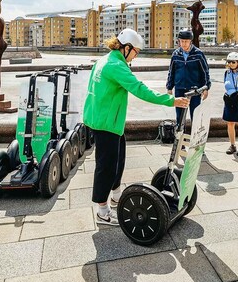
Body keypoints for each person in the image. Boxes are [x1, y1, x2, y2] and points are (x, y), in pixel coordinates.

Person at [84, 28, 189, 226]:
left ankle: (115, 196)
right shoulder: (116, 65)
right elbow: (139, 89)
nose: (136, 57)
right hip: (106, 123)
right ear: (127, 48)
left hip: (106, 120)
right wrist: (171, 101)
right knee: (105, 167)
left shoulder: (105, 60)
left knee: (118, 160)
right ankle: (102, 211)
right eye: (136, 52)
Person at [166, 29, 211, 124]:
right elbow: (171, 72)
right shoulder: (175, 54)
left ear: (191, 41)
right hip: (180, 89)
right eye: (182, 41)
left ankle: (195, 138)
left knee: (195, 115)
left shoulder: (198, 54)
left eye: (186, 41)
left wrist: (206, 88)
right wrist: (169, 87)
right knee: (179, 116)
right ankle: (180, 136)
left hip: (194, 90)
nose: (184, 44)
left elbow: (205, 72)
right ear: (179, 41)